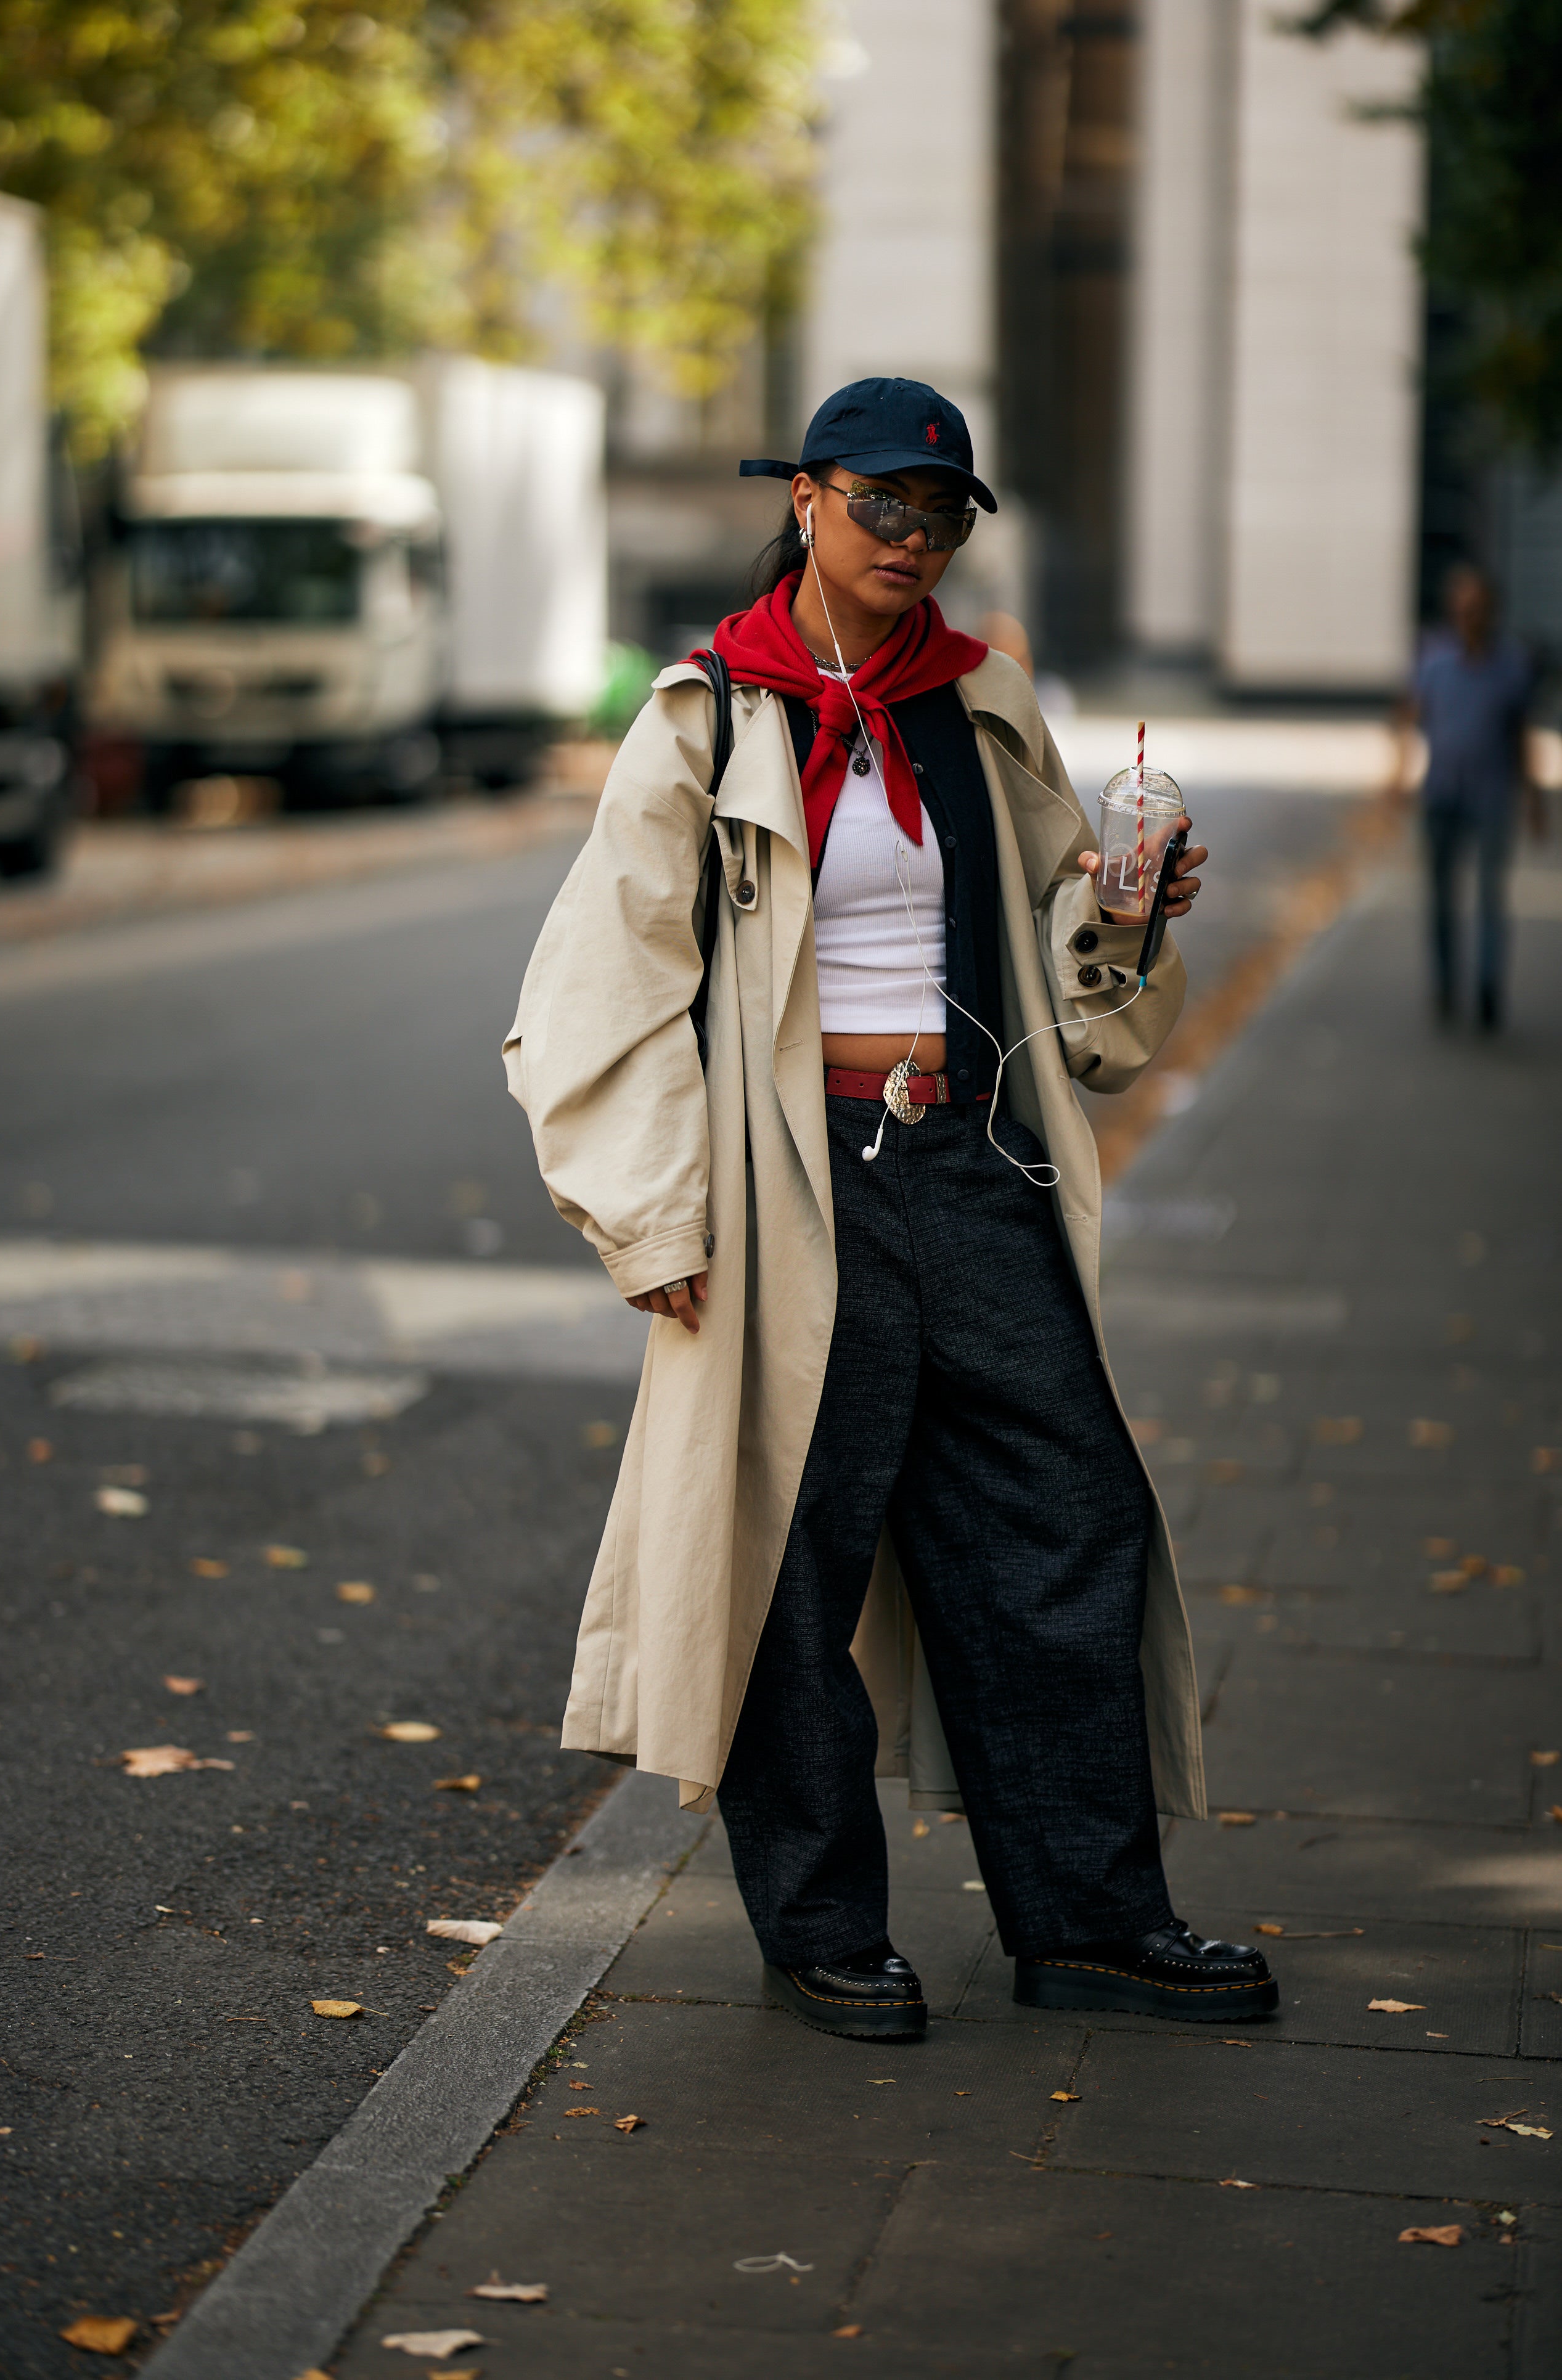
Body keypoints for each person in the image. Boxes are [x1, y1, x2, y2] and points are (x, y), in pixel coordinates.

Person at [505, 377, 1278, 2040]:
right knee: (791, 1559)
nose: (911, 543)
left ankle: (1085, 1920)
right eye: (879, 508)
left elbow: (1079, 975)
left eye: (939, 517)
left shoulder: (982, 702)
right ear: (802, 499)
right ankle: (819, 1926)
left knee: (1065, 1517)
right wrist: (653, 1215)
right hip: (799, 1184)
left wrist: (1128, 913)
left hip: (973, 1166)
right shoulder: (706, 715)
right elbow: (599, 986)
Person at [1394, 563, 1543, 1029]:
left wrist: (1534, 797)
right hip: (1442, 791)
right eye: (1459, 607)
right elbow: (1410, 715)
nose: (1467, 615)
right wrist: (1397, 778)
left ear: (1490, 610)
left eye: (1475, 607)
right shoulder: (1434, 660)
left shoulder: (1511, 665)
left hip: (1492, 794)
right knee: (1440, 896)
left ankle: (1486, 988)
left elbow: (1521, 735)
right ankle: (1444, 986)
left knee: (1489, 897)